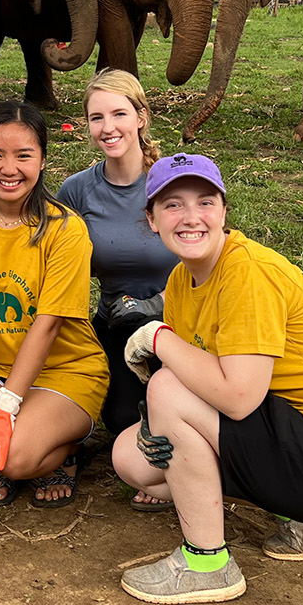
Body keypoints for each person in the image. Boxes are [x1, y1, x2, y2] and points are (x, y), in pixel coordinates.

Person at [114, 154, 303, 604]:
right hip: (295, 429)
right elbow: (203, 377)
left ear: (224, 211)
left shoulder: (247, 271)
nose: (190, 218)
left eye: (205, 202)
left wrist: (157, 338)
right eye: (172, 205)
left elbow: (239, 398)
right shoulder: (183, 280)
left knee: (166, 388)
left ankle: (207, 563)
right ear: (151, 219)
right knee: (132, 457)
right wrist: (157, 416)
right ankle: (288, 508)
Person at [0, 101, 109, 508]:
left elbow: (48, 324)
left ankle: (69, 452)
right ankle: (20, 439)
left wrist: (5, 407)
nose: (9, 169)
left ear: (42, 160)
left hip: (66, 369)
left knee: (12, 457)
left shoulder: (65, 229)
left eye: (23, 155)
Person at [55, 70, 177, 510]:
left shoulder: (173, 180)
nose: (108, 128)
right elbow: (57, 265)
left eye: (119, 114)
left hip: (177, 322)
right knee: (122, 418)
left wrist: (155, 304)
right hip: (114, 322)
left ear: (141, 117)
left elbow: (214, 266)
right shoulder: (77, 190)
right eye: (96, 117)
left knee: (165, 416)